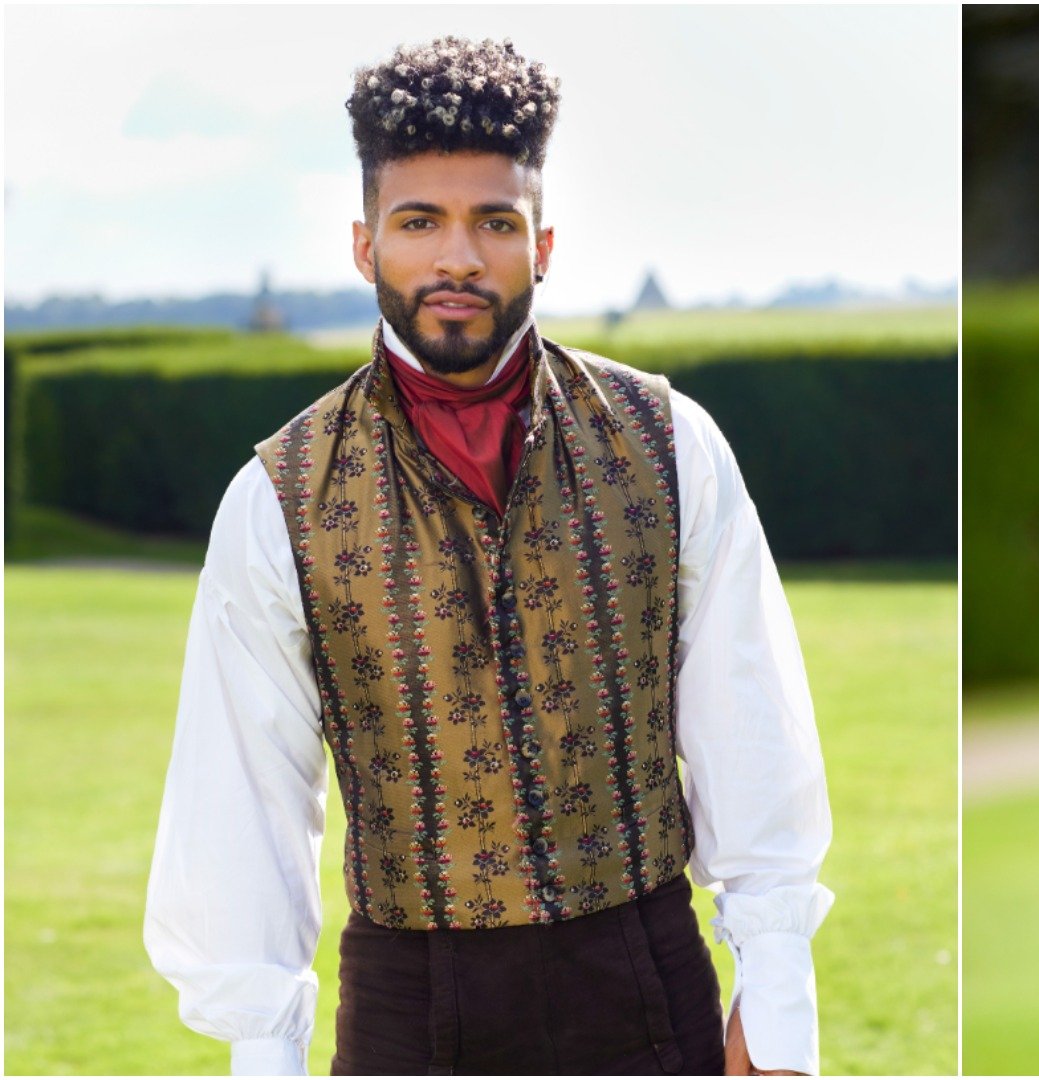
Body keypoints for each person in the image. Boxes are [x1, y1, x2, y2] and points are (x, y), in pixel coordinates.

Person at [145, 37, 832, 1076]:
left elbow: (750, 717)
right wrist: (263, 1052)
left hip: (643, 974)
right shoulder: (276, 498)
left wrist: (776, 1004)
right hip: (408, 1005)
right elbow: (242, 793)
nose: (457, 257)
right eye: (420, 222)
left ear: (542, 244)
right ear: (365, 246)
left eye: (493, 223)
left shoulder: (667, 438)